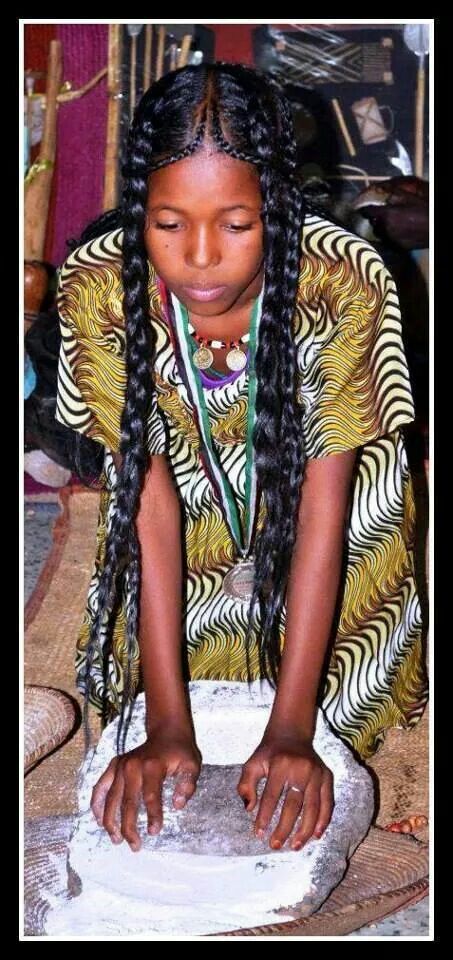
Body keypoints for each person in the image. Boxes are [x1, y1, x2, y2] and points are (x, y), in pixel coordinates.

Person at [55, 62, 428, 856]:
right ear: (136, 212)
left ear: (278, 208)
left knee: (340, 714)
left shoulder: (345, 281)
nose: (197, 258)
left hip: (330, 526)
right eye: (166, 224)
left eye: (235, 223)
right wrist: (164, 719)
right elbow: (148, 501)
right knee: (136, 693)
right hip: (181, 515)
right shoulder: (95, 284)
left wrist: (293, 728)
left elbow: (328, 504)